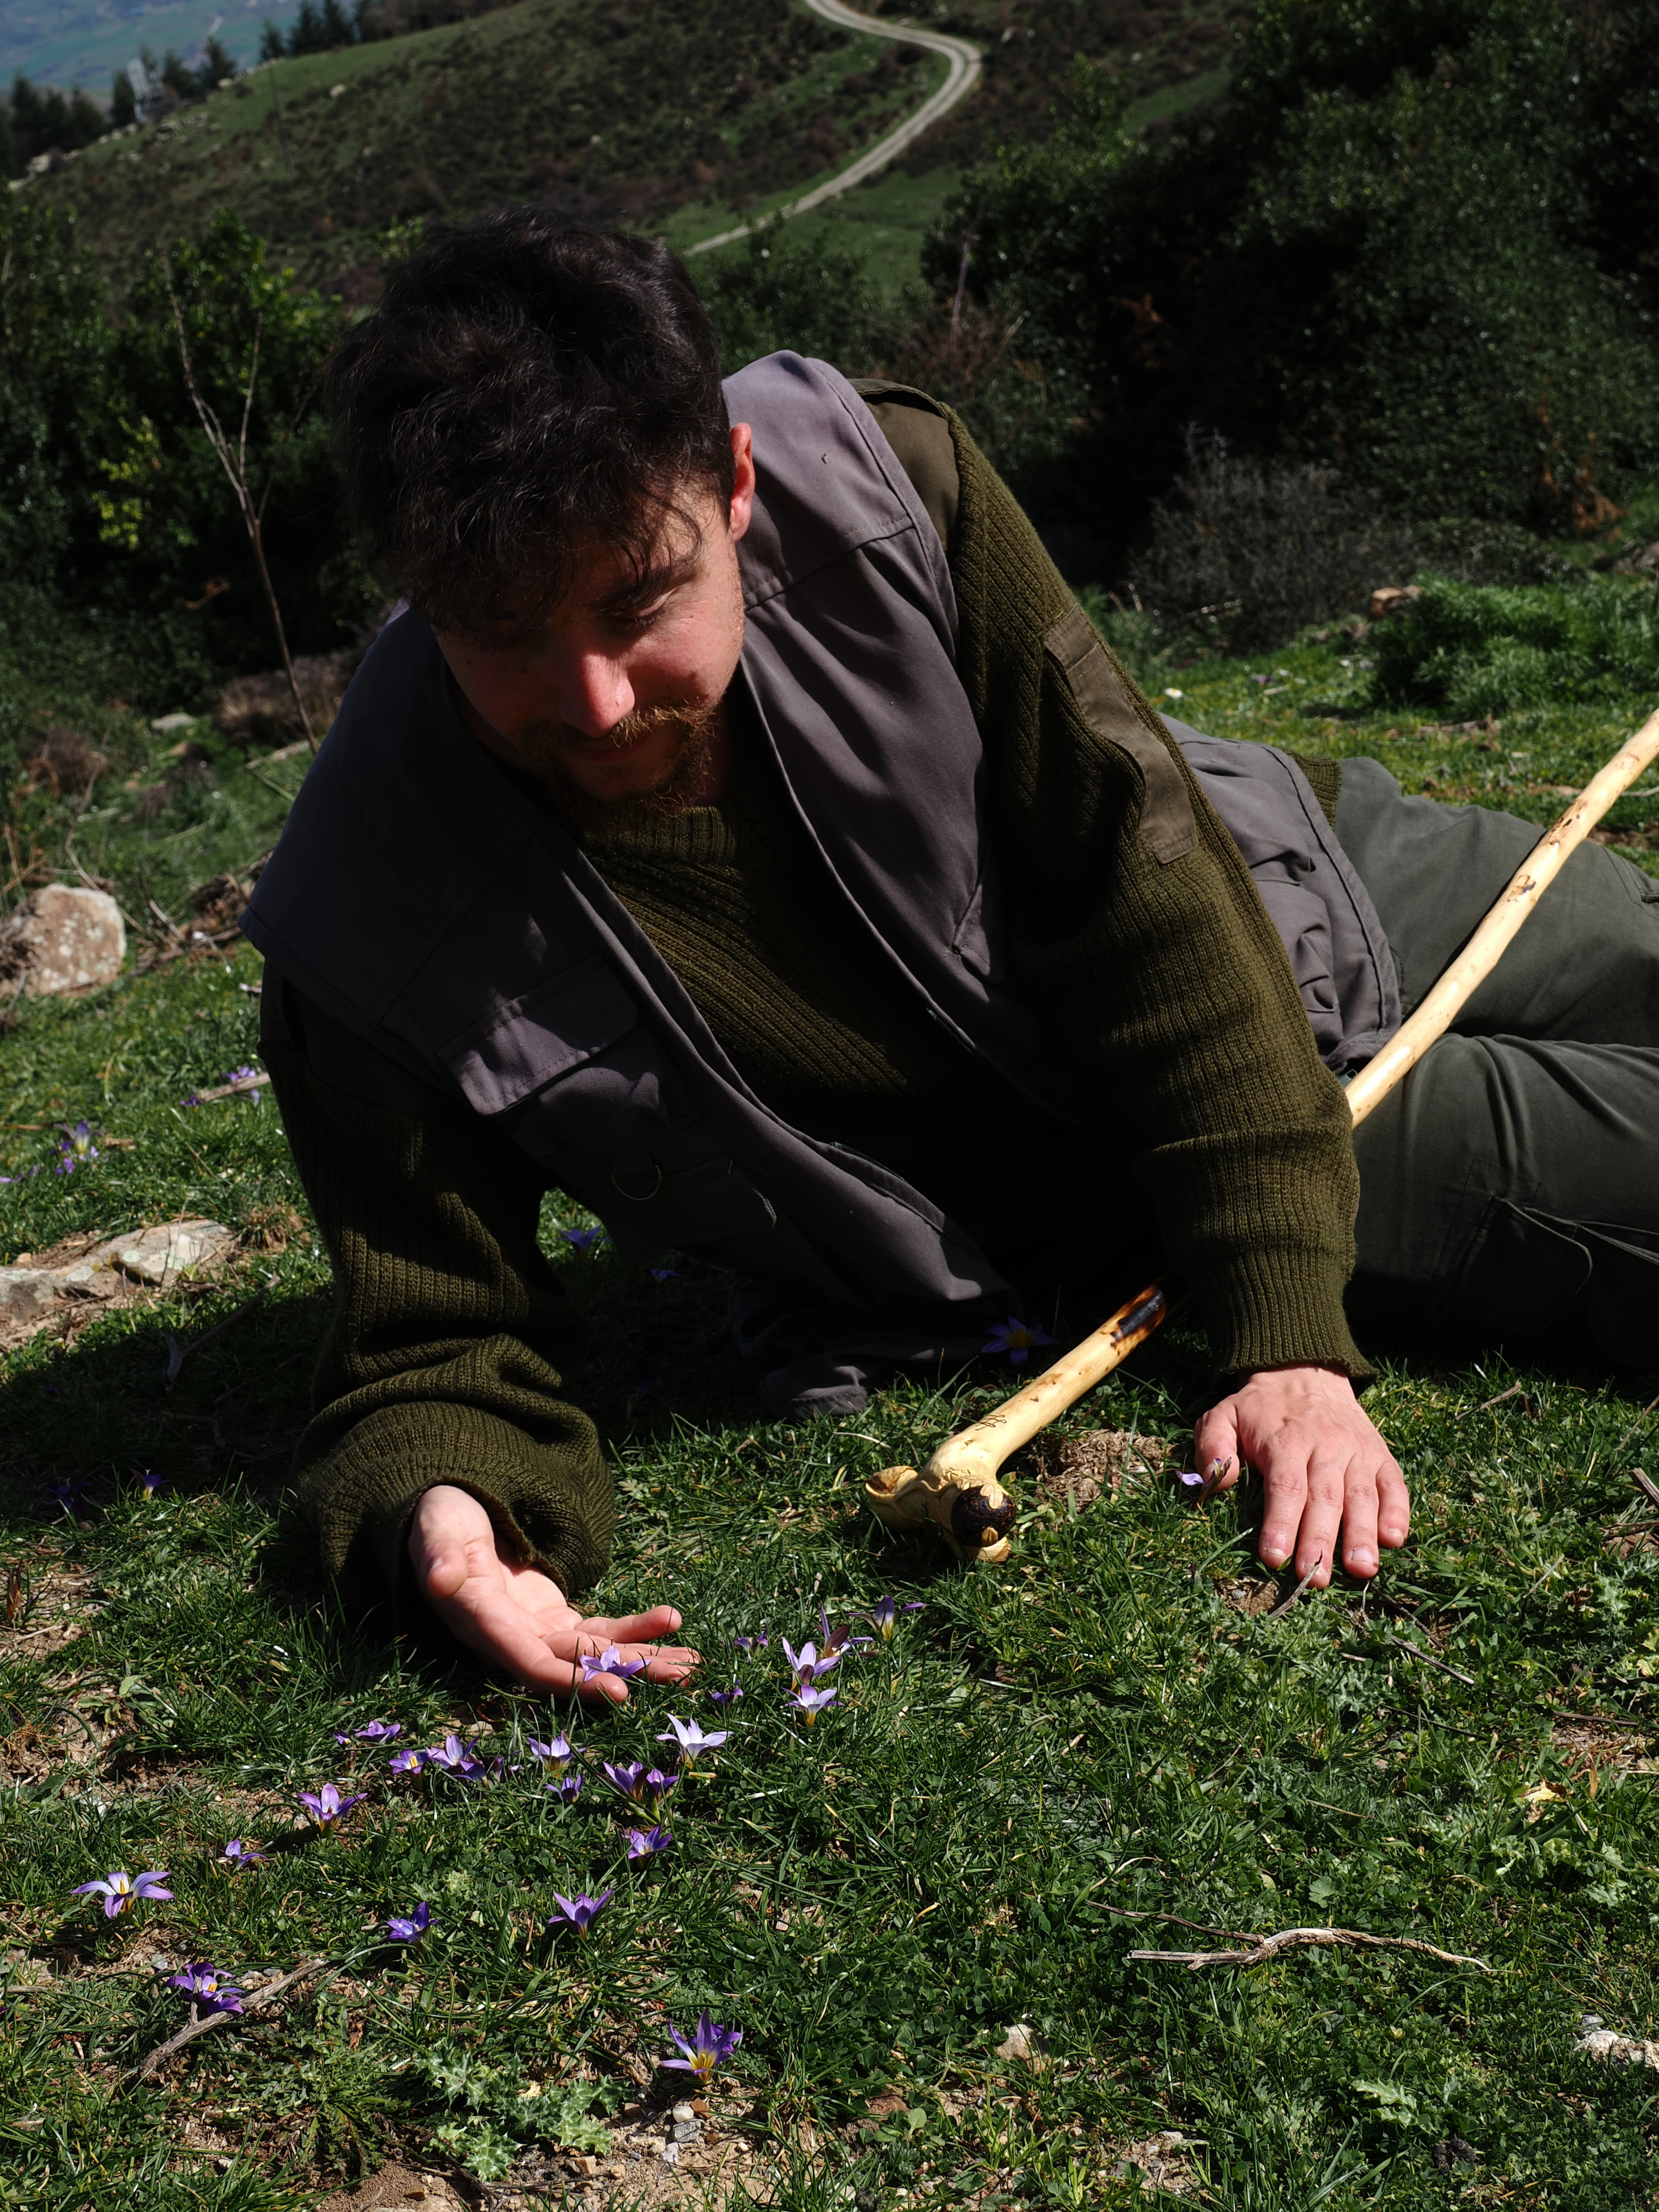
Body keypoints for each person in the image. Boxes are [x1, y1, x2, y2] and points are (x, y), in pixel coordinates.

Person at [245, 212, 1659, 1699]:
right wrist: (448, 1520)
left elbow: (1142, 880)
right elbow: (431, 1337)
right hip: (1123, 1149)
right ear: (418, 592)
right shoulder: (361, 920)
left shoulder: (890, 484)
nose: (592, 703)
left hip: (1291, 864)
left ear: (730, 485)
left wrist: (1282, 1336)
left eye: (636, 604)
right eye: (505, 637)